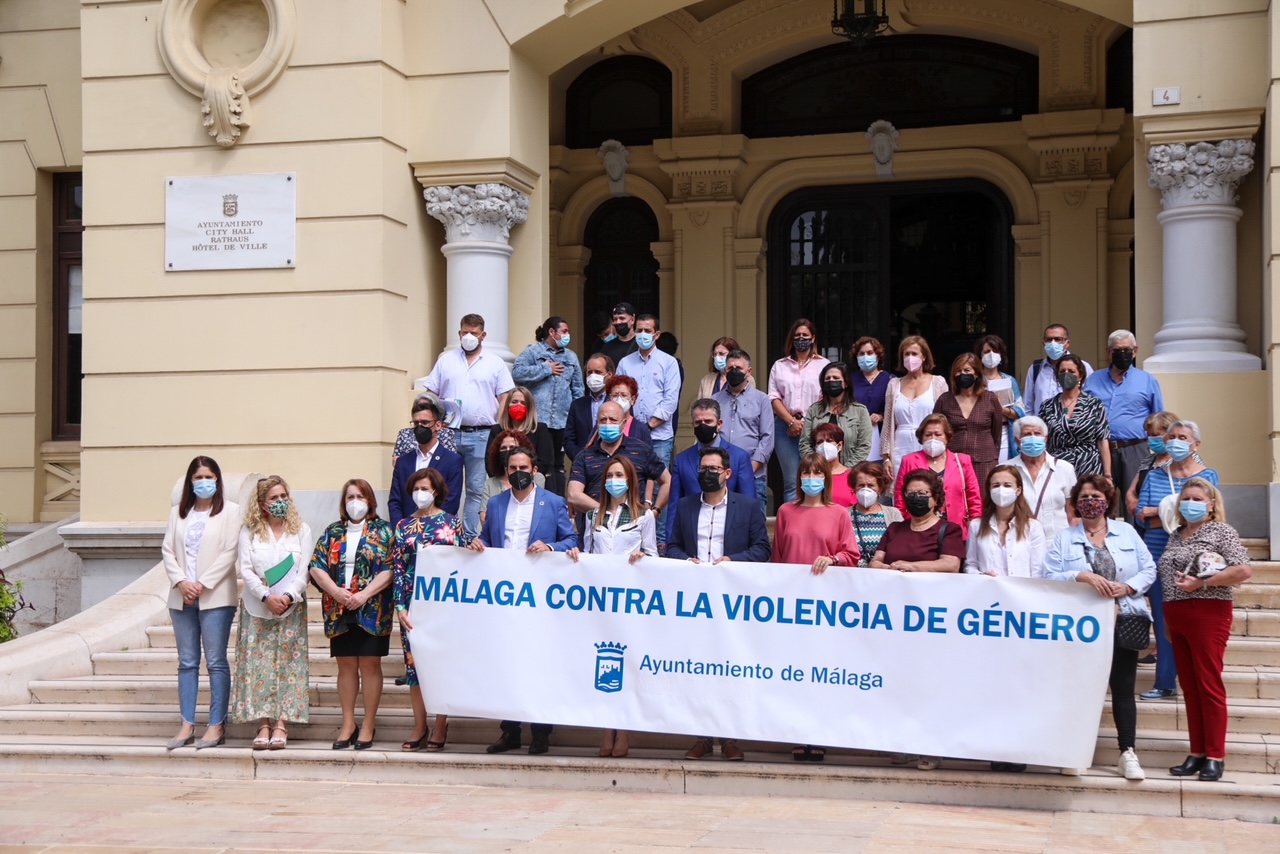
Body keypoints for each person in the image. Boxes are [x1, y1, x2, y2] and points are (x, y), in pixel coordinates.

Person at [1043, 475, 1156, 781]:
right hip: (1082, 625)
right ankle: (1074, 751)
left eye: (1096, 496)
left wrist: (1129, 587)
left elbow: (1149, 569)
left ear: (1107, 501)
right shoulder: (1065, 538)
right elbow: (1048, 574)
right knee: (1079, 690)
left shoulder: (1127, 532)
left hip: (1123, 619)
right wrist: (1079, 575)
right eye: (1083, 498)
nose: (1090, 502)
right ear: (1076, 504)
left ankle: (1127, 752)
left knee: (1122, 689)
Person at [472, 446, 580, 756]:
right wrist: (480, 543)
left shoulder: (554, 502)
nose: (518, 471)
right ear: (506, 472)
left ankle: (541, 732)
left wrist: (549, 545)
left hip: (542, 599)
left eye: (524, 466)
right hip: (505, 599)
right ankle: (510, 730)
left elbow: (572, 540)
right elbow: (490, 541)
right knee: (507, 664)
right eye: (512, 467)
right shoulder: (495, 504)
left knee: (538, 663)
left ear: (534, 470)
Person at [668, 446, 771, 762]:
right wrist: (686, 560)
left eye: (714, 469)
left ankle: (729, 739)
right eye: (703, 468)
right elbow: (671, 546)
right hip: (695, 602)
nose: (707, 473)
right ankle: (701, 737)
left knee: (728, 669)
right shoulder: (685, 507)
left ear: (728, 473)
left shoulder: (749, 507)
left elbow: (762, 549)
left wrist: (732, 560)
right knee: (698, 669)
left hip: (732, 603)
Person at [1158, 479, 1253, 782]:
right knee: (1189, 686)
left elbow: (1243, 569)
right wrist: (1168, 622)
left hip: (1208, 612)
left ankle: (1215, 754)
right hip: (1178, 615)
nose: (1191, 503)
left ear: (1211, 504)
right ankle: (1196, 752)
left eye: (1197, 498)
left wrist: (1204, 583)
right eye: (1186, 498)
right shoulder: (1175, 535)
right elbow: (1169, 578)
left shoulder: (1221, 532)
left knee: (1208, 685)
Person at [774, 452, 860, 763]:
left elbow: (851, 554)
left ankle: (819, 733)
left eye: (817, 473)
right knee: (795, 672)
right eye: (806, 473)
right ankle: (798, 733)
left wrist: (833, 559)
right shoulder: (785, 511)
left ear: (826, 478)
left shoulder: (840, 513)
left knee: (821, 672)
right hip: (793, 605)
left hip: (826, 605)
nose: (812, 478)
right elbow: (778, 559)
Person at [160, 456, 241, 750]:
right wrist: (182, 582)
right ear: (190, 482)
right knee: (187, 662)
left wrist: (202, 583)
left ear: (217, 480)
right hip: (181, 597)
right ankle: (186, 723)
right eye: (198, 477)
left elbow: (230, 552)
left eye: (209, 476)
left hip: (216, 596)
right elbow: (167, 549)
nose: (204, 481)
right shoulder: (177, 513)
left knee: (217, 661)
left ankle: (216, 724)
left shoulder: (231, 512)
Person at [307, 479, 395, 750]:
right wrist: (335, 592)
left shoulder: (384, 531)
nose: (354, 501)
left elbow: (390, 567)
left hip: (372, 608)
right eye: (350, 497)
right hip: (339, 608)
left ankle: (368, 723)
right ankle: (348, 723)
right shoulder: (333, 531)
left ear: (370, 500)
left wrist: (364, 594)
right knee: (345, 665)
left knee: (369, 664)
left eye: (360, 496)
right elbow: (316, 565)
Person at [1135, 419, 1218, 700]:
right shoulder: (1156, 474)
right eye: (1172, 436)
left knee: (1194, 620)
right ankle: (1165, 681)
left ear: (1196, 444)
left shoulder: (1208, 476)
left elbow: (1207, 516)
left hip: (1195, 556)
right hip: (1159, 555)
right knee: (1163, 618)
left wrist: (1158, 512)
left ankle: (1195, 680)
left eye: (1182, 437)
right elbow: (1141, 518)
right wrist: (1169, 515)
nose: (1175, 441)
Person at [580, 455, 657, 759]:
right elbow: (586, 552)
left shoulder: (643, 516)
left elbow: (653, 554)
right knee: (600, 664)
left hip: (630, 601)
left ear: (629, 480)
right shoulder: (593, 516)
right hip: (599, 603)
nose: (614, 480)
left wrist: (643, 557)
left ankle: (622, 728)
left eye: (619, 475)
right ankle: (605, 728)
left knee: (625, 664)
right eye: (610, 475)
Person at [232, 475, 312, 750]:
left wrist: (289, 596)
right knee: (258, 666)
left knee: (287, 666)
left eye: (283, 497)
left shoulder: (301, 530)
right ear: (263, 504)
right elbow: (245, 569)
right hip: (258, 607)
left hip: (291, 608)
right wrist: (266, 596)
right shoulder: (250, 532)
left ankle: (281, 724)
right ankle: (263, 723)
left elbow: (305, 570)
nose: (280, 502)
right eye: (274, 499)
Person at [418, 312, 516, 538]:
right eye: (465, 332)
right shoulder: (446, 361)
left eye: (474, 333)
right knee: (441, 485)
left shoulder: (495, 363)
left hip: (481, 434)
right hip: (448, 433)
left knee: (475, 489)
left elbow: (504, 397)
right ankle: (440, 533)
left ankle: (470, 537)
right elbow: (431, 393)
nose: (468, 336)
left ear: (483, 335)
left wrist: (498, 428)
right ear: (459, 333)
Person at [393, 467, 464, 752]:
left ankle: (440, 724)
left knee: (440, 664)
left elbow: (462, 560)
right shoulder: (403, 526)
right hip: (411, 606)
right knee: (415, 667)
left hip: (443, 603)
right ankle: (419, 725)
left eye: (425, 487)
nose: (420, 493)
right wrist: (399, 605)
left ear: (436, 490)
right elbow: (398, 567)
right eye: (416, 488)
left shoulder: (451, 523)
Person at [1083, 330, 1164, 522]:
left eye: (1127, 350)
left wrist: (1160, 451)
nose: (1123, 354)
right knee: (1099, 499)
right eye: (1118, 350)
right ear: (1108, 352)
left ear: (1135, 351)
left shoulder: (1148, 380)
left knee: (1133, 502)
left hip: (1134, 449)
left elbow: (1159, 418)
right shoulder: (1093, 380)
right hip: (1099, 449)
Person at [665, 398, 756, 543]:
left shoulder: (739, 457)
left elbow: (749, 503)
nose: (703, 426)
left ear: (719, 424)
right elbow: (674, 507)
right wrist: (670, 543)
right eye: (698, 422)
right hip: (692, 539)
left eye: (708, 421)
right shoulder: (681, 460)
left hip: (730, 538)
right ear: (692, 424)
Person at [513, 316, 585, 495]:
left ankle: (559, 501)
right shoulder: (533, 352)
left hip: (562, 420)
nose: (568, 335)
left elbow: (578, 388)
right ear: (552, 332)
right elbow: (517, 373)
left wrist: (576, 416)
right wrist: (546, 369)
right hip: (538, 421)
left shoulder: (570, 356)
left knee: (558, 465)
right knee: (537, 461)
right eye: (564, 331)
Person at [568, 401, 670, 522]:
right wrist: (605, 514)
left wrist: (655, 511)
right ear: (597, 424)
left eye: (613, 420)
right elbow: (573, 495)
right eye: (603, 420)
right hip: (596, 530)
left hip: (634, 529)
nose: (608, 423)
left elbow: (667, 481)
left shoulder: (641, 450)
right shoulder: (584, 456)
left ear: (624, 423)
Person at [892, 414, 983, 541]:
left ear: (947, 437)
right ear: (921, 438)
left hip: (955, 530)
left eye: (938, 434)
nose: (932, 439)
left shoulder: (962, 460)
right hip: (918, 529)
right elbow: (900, 498)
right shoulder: (909, 461)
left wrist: (975, 526)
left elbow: (973, 497)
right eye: (928, 435)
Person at [768, 318, 829, 503]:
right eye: (797, 335)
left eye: (805, 335)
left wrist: (806, 423)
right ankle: (792, 524)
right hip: (785, 427)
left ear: (813, 338)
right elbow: (773, 397)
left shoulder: (824, 364)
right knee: (792, 481)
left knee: (816, 475)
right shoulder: (780, 365)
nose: (801, 339)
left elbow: (825, 396)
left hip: (815, 427)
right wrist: (792, 422)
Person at [616, 313, 682, 477]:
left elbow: (670, 400)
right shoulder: (625, 363)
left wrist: (648, 427)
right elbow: (617, 398)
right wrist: (633, 427)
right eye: (639, 330)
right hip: (630, 435)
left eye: (647, 330)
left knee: (660, 485)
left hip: (660, 437)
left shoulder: (669, 363)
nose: (642, 334)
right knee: (631, 481)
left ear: (657, 334)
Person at [713, 348, 774, 512]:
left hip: (753, 475)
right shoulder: (714, 401)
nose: (734, 371)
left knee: (754, 527)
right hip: (720, 474)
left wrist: (749, 468)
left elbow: (767, 439)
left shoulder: (762, 400)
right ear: (725, 370)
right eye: (730, 368)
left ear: (749, 371)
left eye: (738, 368)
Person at [388, 398, 464, 526]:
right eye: (416, 423)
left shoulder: (453, 461)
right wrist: (401, 529)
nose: (420, 427)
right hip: (406, 535)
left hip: (437, 532)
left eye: (425, 422)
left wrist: (428, 531)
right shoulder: (403, 462)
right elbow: (395, 501)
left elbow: (451, 501)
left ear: (438, 425)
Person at [881, 335, 948, 478]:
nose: (910, 357)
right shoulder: (894, 385)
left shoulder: (938, 382)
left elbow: (946, 421)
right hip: (900, 447)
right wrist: (886, 457)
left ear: (924, 356)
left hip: (930, 444)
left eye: (914, 353)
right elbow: (887, 423)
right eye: (906, 354)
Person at [935, 352, 1003, 489]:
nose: (963, 374)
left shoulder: (990, 399)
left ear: (976, 373)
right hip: (954, 461)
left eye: (967, 370)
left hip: (984, 461)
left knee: (983, 503)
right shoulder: (945, 400)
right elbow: (936, 429)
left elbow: (997, 431)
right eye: (958, 371)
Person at [964, 465, 1046, 579]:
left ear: (1018, 490)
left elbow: (1038, 571)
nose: (1001, 490)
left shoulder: (1033, 527)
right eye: (996, 485)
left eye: (1007, 485)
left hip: (1022, 593)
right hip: (987, 591)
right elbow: (970, 564)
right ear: (989, 490)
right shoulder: (976, 526)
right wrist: (981, 576)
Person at [1039, 354, 1111, 478]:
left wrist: (1108, 474)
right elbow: (1042, 439)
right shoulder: (1047, 406)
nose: (1066, 374)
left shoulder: (1094, 404)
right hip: (1058, 467)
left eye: (1071, 371)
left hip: (1089, 466)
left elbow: (1102, 440)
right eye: (1062, 371)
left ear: (1080, 375)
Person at [1008, 416, 1078, 542]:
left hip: (1058, 542)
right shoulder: (1005, 470)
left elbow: (1073, 514)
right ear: (1017, 441)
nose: (1033, 437)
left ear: (1045, 439)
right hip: (1020, 542)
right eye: (1027, 434)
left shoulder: (1065, 468)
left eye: (1037, 433)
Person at [798, 361, 873, 468]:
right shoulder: (814, 410)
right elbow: (805, 444)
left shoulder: (860, 411)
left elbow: (864, 446)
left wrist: (845, 470)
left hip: (849, 473)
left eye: (835, 378)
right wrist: (816, 467)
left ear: (846, 383)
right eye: (827, 378)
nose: (831, 381)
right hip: (818, 472)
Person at [1023, 322, 1093, 418]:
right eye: (1049, 339)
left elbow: (1091, 400)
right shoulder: (1036, 368)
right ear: (1044, 343)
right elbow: (1028, 405)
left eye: (1058, 339)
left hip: (1073, 426)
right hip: (1043, 428)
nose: (1053, 343)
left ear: (1067, 343)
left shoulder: (1082, 366)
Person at [486, 385, 555, 480]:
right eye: (514, 402)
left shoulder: (540, 429)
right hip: (501, 482)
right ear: (508, 405)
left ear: (529, 407)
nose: (518, 405)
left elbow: (544, 462)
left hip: (531, 481)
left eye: (523, 403)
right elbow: (490, 462)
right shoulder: (497, 430)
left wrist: (522, 478)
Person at [974, 334, 1025, 463]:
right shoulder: (975, 381)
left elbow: (1021, 412)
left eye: (995, 351)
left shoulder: (1009, 380)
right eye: (987, 351)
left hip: (1005, 434)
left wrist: (1002, 410)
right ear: (980, 355)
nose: (991, 354)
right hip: (981, 434)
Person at [479, 430, 545, 527]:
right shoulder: (490, 483)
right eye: (503, 448)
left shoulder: (537, 478)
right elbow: (484, 517)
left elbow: (538, 512)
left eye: (512, 447)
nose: (508, 451)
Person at [1124, 410, 1179, 521]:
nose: (1151, 439)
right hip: (1144, 523)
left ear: (1171, 434)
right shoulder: (1148, 460)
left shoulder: (1183, 460)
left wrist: (1156, 511)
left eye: (1155, 435)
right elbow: (1131, 491)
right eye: (1149, 435)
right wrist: (1132, 501)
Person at [849, 461, 903, 567]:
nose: (865, 489)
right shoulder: (844, 514)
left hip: (883, 574)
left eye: (870, 485)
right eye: (861, 485)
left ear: (880, 488)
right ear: (854, 488)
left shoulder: (893, 514)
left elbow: (901, 546)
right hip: (852, 575)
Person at [565, 353, 614, 463]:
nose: (593, 376)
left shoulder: (617, 404)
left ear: (609, 374)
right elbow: (568, 440)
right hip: (583, 466)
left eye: (598, 372)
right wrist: (582, 458)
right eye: (589, 372)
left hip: (611, 464)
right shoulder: (577, 405)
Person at [851, 337, 892, 462]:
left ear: (878, 356)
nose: (865, 357)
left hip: (881, 436)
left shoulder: (890, 380)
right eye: (861, 354)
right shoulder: (850, 380)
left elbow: (896, 409)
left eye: (869, 353)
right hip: (856, 436)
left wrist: (881, 416)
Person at [393, 390, 458, 460]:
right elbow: (396, 462)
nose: (422, 410)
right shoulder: (404, 434)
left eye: (427, 407)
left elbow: (450, 461)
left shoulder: (446, 434)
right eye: (420, 407)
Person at [810, 422, 854, 507]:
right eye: (820, 442)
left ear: (840, 445)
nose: (824, 445)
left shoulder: (852, 476)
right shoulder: (810, 476)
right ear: (815, 448)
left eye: (829, 441)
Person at [605, 375, 654, 446]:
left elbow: (648, 455)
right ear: (610, 398)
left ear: (633, 400)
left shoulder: (641, 429)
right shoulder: (602, 425)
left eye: (624, 395)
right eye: (615, 395)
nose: (619, 399)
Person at [599, 302, 640, 368]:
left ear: (632, 320)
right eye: (615, 319)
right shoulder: (607, 348)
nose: (618, 322)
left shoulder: (641, 344)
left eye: (622, 318)